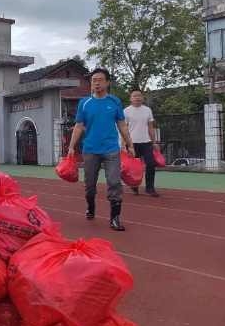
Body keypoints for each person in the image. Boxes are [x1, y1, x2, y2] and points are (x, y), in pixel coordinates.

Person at [68, 68, 134, 231]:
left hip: (111, 148)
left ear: (107, 82)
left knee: (114, 182)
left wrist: (129, 144)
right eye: (93, 80)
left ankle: (115, 218)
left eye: (99, 80)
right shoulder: (84, 103)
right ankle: (91, 206)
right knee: (90, 185)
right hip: (90, 149)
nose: (96, 83)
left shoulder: (115, 102)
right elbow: (78, 126)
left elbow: (122, 125)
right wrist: (71, 147)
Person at [122, 88, 160, 197]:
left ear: (142, 97)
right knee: (134, 167)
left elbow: (150, 127)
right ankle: (134, 187)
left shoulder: (147, 110)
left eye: (139, 95)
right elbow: (124, 128)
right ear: (131, 98)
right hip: (132, 144)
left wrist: (154, 142)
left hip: (146, 142)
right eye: (135, 96)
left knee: (151, 163)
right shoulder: (126, 111)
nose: (137, 97)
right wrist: (123, 143)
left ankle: (150, 188)